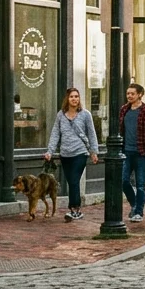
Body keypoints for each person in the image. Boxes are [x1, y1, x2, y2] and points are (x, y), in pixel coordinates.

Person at [44, 88, 100, 222]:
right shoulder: (60, 115)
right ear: (67, 99)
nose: (74, 99)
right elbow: (55, 134)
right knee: (71, 182)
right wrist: (50, 151)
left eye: (76, 96)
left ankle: (75, 209)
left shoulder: (85, 115)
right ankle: (75, 209)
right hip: (65, 154)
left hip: (80, 153)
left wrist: (94, 152)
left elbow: (91, 133)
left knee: (74, 181)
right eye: (71, 97)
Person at [117, 83, 145, 223]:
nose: (129, 96)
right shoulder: (124, 110)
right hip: (126, 152)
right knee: (123, 181)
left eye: (132, 94)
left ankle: (138, 212)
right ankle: (135, 205)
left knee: (141, 184)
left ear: (140, 94)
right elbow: (120, 130)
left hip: (141, 152)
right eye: (128, 93)